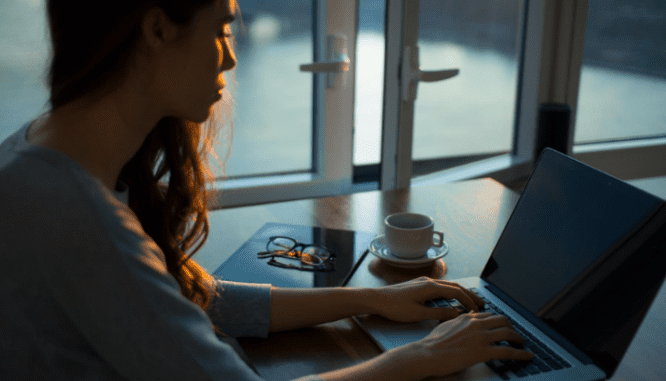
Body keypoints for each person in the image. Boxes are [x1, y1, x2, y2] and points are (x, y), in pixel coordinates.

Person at [0, 0, 533, 379]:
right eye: (222, 28)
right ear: (158, 29)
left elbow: (187, 300)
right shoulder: (82, 222)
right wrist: (419, 359)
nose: (230, 57)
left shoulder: (35, 153)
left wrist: (374, 299)